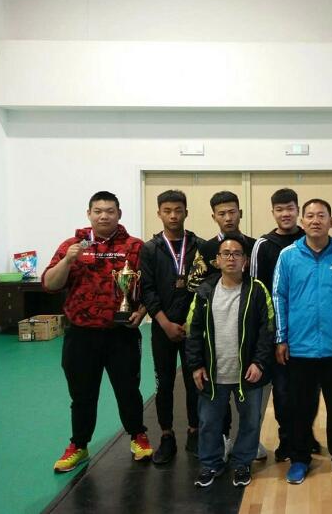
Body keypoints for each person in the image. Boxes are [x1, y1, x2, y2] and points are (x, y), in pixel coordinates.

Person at [43, 191, 151, 473]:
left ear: (119, 214)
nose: (104, 216)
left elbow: (150, 288)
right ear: (89, 214)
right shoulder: (72, 246)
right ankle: (79, 445)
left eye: (110, 211)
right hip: (81, 335)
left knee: (128, 390)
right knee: (82, 394)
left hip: (122, 333)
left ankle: (138, 436)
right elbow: (50, 284)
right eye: (98, 211)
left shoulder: (135, 247)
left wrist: (141, 312)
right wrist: (67, 261)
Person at [273, 199, 332, 485]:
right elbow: (279, 298)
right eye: (310, 216)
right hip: (299, 347)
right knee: (300, 409)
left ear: (331, 221)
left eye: (321, 216)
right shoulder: (288, 256)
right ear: (302, 222)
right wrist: (281, 338)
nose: (315, 220)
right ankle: (300, 458)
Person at [187, 235, 275, 488]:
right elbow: (193, 330)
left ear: (245, 260)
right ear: (217, 260)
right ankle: (210, 463)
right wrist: (196, 365)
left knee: (250, 422)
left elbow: (267, 329)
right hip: (213, 373)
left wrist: (259, 363)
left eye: (237, 254)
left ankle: (242, 463)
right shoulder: (204, 291)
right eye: (225, 253)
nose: (231, 258)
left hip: (247, 373)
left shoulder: (257, 290)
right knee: (208, 422)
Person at [186, 190, 259, 458]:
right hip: (216, 324)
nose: (228, 218)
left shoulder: (255, 245)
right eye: (222, 213)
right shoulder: (206, 249)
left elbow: (261, 282)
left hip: (246, 327)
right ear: (214, 216)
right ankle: (224, 438)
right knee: (217, 392)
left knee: (248, 395)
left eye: (232, 212)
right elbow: (193, 284)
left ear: (240, 213)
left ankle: (248, 444)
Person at [250, 188, 320, 462]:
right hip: (276, 332)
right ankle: (286, 438)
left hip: (308, 332)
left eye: (290, 208)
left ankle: (305, 435)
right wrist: (268, 332)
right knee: (282, 391)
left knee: (309, 389)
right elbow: (256, 290)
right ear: (273, 213)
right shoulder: (263, 245)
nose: (285, 214)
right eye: (279, 209)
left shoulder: (310, 240)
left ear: (297, 210)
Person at [140, 190, 205, 464]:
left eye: (178, 210)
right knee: (164, 384)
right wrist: (164, 323)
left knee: (195, 382)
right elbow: (147, 290)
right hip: (162, 328)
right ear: (159, 214)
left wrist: (192, 323)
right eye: (167, 211)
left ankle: (194, 431)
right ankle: (166, 436)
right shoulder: (150, 249)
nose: (173, 216)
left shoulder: (200, 246)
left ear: (186, 212)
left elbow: (205, 288)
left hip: (193, 330)